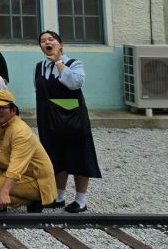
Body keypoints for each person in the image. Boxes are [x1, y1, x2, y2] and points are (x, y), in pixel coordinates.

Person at [35, 30, 101, 213]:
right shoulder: (39, 67)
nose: (47, 42)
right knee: (55, 157)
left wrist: (58, 62)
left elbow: (75, 83)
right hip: (48, 119)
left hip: (72, 119)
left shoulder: (74, 63)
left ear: (60, 44)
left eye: (51, 39)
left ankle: (81, 200)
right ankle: (59, 196)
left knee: (79, 156)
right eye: (42, 41)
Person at [0, 89, 56, 212]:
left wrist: (4, 191)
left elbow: (17, 168)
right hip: (7, 170)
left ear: (13, 110)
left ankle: (31, 199)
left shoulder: (20, 132)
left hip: (31, 178)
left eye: (1, 108)